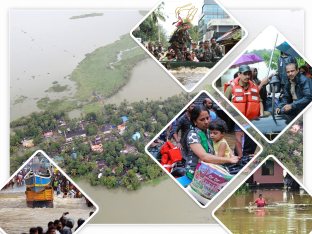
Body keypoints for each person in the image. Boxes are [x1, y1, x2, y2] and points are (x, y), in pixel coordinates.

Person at [184, 105, 239, 179]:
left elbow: (222, 141)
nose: (206, 122)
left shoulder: (209, 131)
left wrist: (231, 155)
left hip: (209, 167)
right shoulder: (192, 135)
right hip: (195, 171)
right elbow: (204, 157)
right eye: (202, 119)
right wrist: (229, 159)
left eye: (207, 118)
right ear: (195, 122)